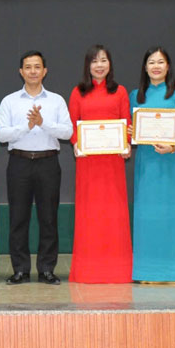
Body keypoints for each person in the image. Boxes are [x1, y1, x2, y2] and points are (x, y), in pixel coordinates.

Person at [0, 50, 73, 285]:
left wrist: (43, 123)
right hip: (19, 162)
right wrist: (27, 126)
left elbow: (67, 132)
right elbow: (1, 135)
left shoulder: (56, 100)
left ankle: (46, 269)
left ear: (45, 71)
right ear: (21, 71)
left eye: (37, 67)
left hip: (47, 162)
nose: (33, 71)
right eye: (28, 67)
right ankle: (20, 269)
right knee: (18, 218)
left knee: (48, 218)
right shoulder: (9, 101)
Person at [66, 44, 132, 283]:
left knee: (113, 214)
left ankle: (117, 270)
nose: (99, 65)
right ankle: (88, 270)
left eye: (103, 60)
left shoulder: (120, 92)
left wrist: (126, 144)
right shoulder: (78, 92)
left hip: (113, 163)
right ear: (88, 65)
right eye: (94, 61)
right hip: (88, 163)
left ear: (110, 64)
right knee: (90, 215)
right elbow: (72, 125)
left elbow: (127, 123)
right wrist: (76, 144)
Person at [128, 46, 175, 283]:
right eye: (151, 62)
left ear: (168, 66)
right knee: (148, 213)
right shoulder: (136, 95)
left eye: (161, 62)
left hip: (172, 160)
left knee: (173, 213)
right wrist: (131, 131)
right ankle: (147, 271)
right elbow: (131, 125)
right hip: (147, 162)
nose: (156, 66)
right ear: (145, 67)